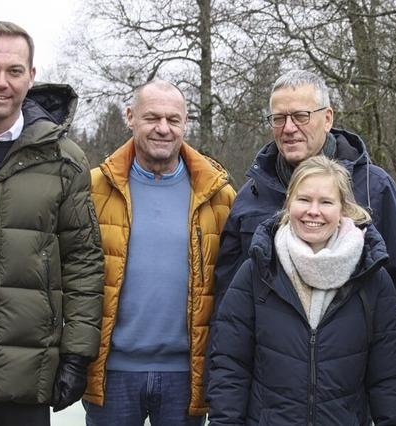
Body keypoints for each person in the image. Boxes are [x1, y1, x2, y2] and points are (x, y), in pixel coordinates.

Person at [207, 155, 396, 425]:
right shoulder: (258, 271)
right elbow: (230, 367)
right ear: (289, 202)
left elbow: (387, 379)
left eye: (326, 202)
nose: (313, 211)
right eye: (304, 200)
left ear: (343, 209)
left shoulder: (372, 277)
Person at [212, 69, 396, 335]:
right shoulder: (250, 195)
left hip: (352, 366)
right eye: (279, 118)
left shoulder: (372, 187)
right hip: (268, 368)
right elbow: (226, 301)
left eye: (300, 116)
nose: (288, 128)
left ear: (327, 118)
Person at [82, 79, 236, 425]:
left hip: (187, 375)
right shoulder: (93, 190)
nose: (163, 129)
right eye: (152, 118)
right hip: (112, 372)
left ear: (186, 123)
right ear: (130, 117)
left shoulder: (219, 195)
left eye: (173, 119)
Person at [0, 21, 104, 425]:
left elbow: (84, 263)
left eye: (14, 70)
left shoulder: (64, 159)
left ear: (31, 76)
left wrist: (77, 354)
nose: (1, 82)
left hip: (25, 381)